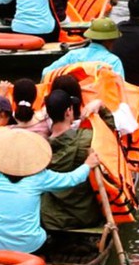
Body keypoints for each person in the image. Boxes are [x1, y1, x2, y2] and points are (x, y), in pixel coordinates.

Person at [0, 130, 95, 256]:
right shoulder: (39, 177)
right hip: (28, 246)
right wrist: (87, 165)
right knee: (45, 232)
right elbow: (71, 179)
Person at [37, 88, 101, 232]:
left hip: (48, 217)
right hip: (83, 216)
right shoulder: (86, 139)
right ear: (68, 112)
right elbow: (111, 135)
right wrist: (100, 105)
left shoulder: (41, 148)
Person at [47, 15, 126, 79]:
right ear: (111, 40)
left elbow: (46, 73)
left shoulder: (73, 55)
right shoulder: (113, 61)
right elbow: (119, 88)